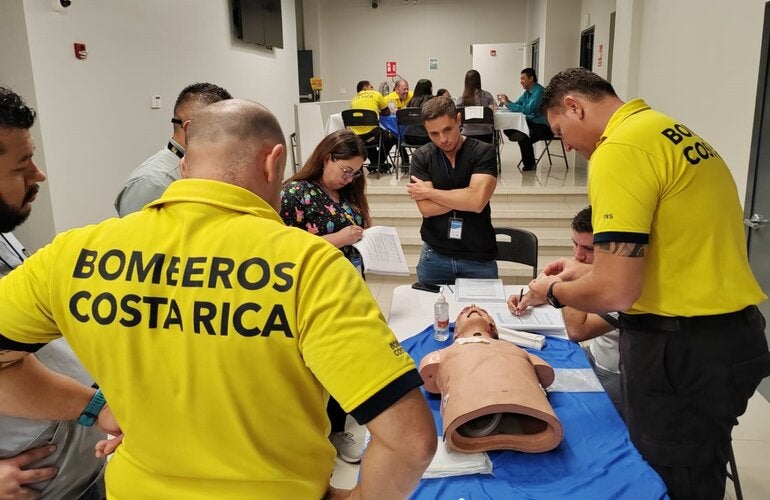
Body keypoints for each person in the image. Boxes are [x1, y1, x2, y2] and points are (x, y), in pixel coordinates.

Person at [0, 98, 436, 498]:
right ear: (274, 162)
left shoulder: (72, 254)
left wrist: (95, 408)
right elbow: (411, 441)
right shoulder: (311, 267)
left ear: (185, 165)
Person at [528, 67, 770, 499]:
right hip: (731, 337)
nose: (565, 143)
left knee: (672, 481)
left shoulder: (618, 149)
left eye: (561, 130)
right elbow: (670, 254)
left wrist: (551, 292)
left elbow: (616, 292)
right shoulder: (668, 131)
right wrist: (586, 268)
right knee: (698, 466)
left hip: (682, 350)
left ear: (574, 106)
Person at [0, 86, 107, 499]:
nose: (38, 175)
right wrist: (98, 407)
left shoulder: (4, 233)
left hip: (76, 469)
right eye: (21, 166)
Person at [279, 129, 370, 463]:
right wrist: (340, 239)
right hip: (311, 294)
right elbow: (284, 249)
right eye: (345, 170)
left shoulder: (345, 194)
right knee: (312, 368)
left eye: (356, 172)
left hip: (347, 287)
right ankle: (308, 434)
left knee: (344, 361)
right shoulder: (296, 193)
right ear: (326, 157)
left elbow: (353, 233)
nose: (350, 178)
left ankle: (336, 428)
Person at [508, 206, 622, 413]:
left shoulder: (623, 284)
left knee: (553, 404)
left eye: (589, 249)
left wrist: (560, 287)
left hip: (615, 374)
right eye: (575, 244)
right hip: (595, 355)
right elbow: (586, 299)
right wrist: (535, 297)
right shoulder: (600, 273)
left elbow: (578, 330)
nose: (578, 256)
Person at [418, 305, 563, 454]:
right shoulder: (444, 354)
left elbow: (545, 373)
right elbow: (545, 374)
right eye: (463, 312)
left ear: (493, 327)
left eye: (484, 312)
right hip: (464, 417)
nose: (473, 307)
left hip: (532, 411)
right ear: (456, 333)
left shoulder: (515, 349)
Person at [407, 96, 498, 285]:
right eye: (433, 134)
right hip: (434, 256)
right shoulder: (421, 156)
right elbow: (427, 210)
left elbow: (476, 202)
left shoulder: (483, 152)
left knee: (481, 314)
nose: (443, 139)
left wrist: (430, 193)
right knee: (431, 313)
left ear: (458, 120)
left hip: (478, 257)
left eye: (447, 129)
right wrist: (466, 196)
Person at [114, 82, 232, 216]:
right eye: (222, 129)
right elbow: (139, 236)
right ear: (190, 129)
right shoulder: (151, 183)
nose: (229, 138)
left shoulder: (205, 171)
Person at [498, 68, 552, 171]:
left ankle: (529, 165)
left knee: (524, 137)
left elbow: (527, 110)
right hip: (531, 122)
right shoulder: (527, 93)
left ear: (531, 78)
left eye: (523, 78)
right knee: (508, 128)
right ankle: (523, 134)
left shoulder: (539, 91)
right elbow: (518, 104)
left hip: (543, 126)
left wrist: (508, 104)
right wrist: (507, 101)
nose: (521, 81)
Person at [350, 80, 396, 173]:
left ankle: (375, 163)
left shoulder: (353, 99)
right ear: (365, 87)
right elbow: (386, 112)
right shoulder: (376, 94)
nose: (372, 88)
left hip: (356, 137)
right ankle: (378, 162)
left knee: (368, 141)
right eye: (371, 86)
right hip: (373, 133)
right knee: (392, 137)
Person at [456, 69, 496, 144]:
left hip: (466, 134)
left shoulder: (460, 99)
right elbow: (492, 115)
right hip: (486, 133)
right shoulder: (488, 95)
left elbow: (458, 118)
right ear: (479, 80)